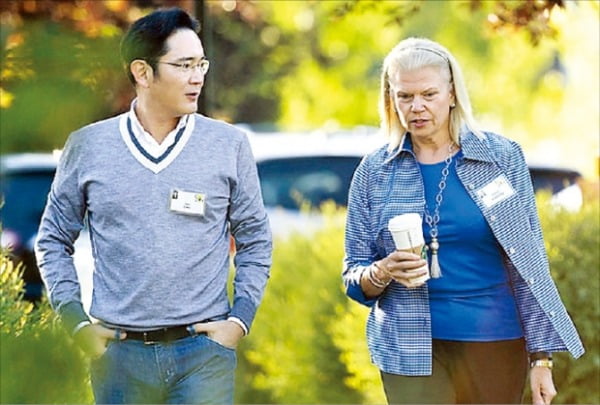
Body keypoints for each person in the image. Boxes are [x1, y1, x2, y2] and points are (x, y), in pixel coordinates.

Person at [35, 7, 272, 404]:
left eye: (201, 63)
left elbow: (255, 240)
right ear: (142, 73)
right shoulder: (89, 147)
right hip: (120, 357)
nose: (198, 77)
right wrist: (76, 324)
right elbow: (52, 240)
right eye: (183, 65)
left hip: (203, 354)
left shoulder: (228, 146)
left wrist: (239, 321)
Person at [342, 37, 584, 405]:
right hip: (408, 348)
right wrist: (383, 271)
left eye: (428, 94)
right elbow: (353, 274)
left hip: (494, 340)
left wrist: (541, 358)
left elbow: (529, 263)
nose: (416, 107)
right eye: (404, 96)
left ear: (452, 94)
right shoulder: (375, 172)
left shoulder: (499, 158)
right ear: (391, 99)